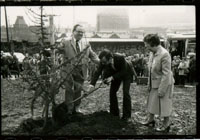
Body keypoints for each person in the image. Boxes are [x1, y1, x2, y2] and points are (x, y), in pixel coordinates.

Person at [56, 24, 100, 114]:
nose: (80, 33)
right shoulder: (66, 42)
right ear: (73, 32)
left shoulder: (86, 44)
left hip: (81, 71)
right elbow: (57, 50)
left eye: (82, 32)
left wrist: (102, 63)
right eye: (78, 31)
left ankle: (77, 108)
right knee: (69, 89)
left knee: (78, 89)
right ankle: (69, 109)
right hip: (68, 70)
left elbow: (93, 55)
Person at [88, 49, 134, 122]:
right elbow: (97, 72)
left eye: (104, 62)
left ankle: (127, 116)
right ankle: (114, 113)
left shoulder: (120, 57)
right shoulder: (103, 62)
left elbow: (123, 71)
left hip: (126, 74)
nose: (103, 64)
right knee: (112, 92)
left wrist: (112, 77)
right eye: (102, 62)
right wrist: (92, 85)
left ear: (110, 58)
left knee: (126, 93)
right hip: (115, 75)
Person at [141, 34, 174, 132]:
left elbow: (166, 74)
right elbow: (151, 70)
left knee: (164, 104)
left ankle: (166, 124)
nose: (145, 46)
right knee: (151, 101)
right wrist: (149, 84)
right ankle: (150, 120)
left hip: (165, 83)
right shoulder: (152, 53)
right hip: (154, 83)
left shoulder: (164, 54)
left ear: (152, 43)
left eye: (146, 44)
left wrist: (162, 89)